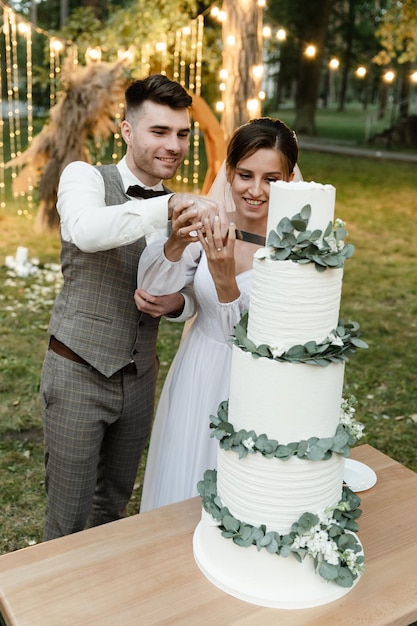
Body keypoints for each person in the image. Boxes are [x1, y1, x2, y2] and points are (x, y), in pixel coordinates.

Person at [40, 74, 226, 540]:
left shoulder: (183, 209)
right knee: (68, 517)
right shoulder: (84, 177)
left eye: (182, 134)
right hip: (78, 371)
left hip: (141, 378)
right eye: (159, 131)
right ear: (126, 131)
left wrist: (177, 305)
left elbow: (191, 288)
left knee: (114, 508)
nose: (175, 145)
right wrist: (163, 209)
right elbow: (86, 230)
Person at [136, 117, 300, 512]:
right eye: (245, 175)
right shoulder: (210, 224)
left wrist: (226, 280)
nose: (256, 191)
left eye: (272, 179)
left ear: (290, 180)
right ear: (229, 173)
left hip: (256, 386)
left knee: (239, 494)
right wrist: (175, 242)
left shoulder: (297, 253)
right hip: (199, 368)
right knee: (184, 475)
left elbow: (261, 341)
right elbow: (154, 288)